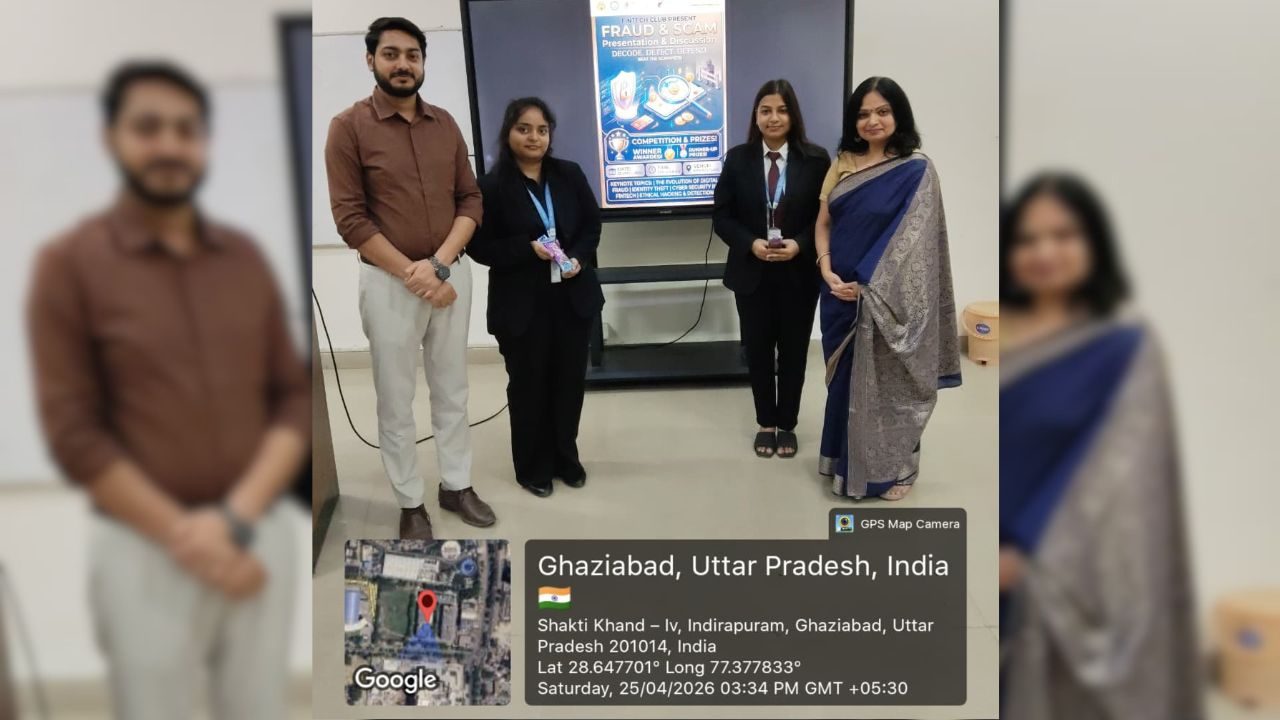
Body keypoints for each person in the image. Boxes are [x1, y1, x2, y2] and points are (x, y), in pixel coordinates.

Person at [26, 61, 308, 720]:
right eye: (148, 127)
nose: (170, 146)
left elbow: (292, 398)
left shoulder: (243, 258)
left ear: (204, 143)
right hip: (143, 547)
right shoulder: (68, 265)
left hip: (258, 532)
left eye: (186, 129)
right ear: (112, 139)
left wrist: (235, 520)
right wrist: (193, 539)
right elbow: (74, 433)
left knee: (258, 708)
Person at [999, 174, 1203, 719]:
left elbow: (1120, 481)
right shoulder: (1000, 334)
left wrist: (1029, 562)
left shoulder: (1125, 350)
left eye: (1064, 235)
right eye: (1026, 239)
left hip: (1058, 577)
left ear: (1095, 244)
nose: (1044, 252)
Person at [324, 17, 496, 537]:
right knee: (395, 396)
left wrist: (440, 265)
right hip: (387, 284)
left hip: (450, 273)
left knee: (453, 389)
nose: (403, 64)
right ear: (371, 60)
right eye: (391, 54)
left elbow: (470, 198)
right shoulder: (348, 127)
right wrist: (414, 274)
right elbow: (350, 218)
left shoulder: (445, 123)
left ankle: (456, 485)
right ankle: (409, 502)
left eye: (413, 55)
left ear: (423, 61)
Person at [815, 76, 961, 501]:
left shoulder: (916, 170)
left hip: (886, 301)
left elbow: (916, 249)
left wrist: (870, 289)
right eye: (863, 114)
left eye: (882, 112)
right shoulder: (842, 161)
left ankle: (898, 470)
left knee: (893, 384)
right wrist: (825, 270)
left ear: (898, 116)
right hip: (838, 292)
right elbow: (823, 224)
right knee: (846, 384)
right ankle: (845, 462)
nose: (872, 121)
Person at [468, 98, 604, 497]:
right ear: (508, 132)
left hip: (572, 299)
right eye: (524, 128)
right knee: (528, 387)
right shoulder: (490, 186)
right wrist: (527, 249)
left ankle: (566, 457)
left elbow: (592, 226)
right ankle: (532, 466)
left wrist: (577, 257)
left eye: (542, 130)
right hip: (521, 306)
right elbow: (479, 247)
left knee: (568, 384)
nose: (534, 137)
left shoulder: (570, 174)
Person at [713, 79, 831, 459]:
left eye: (781, 110)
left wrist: (799, 243)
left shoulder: (816, 160)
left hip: (799, 275)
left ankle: (788, 424)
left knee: (794, 353)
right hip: (752, 272)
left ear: (792, 115)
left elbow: (825, 218)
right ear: (756, 116)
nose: (773, 117)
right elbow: (722, 216)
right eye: (766, 110)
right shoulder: (737, 159)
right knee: (759, 351)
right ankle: (766, 422)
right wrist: (751, 243)